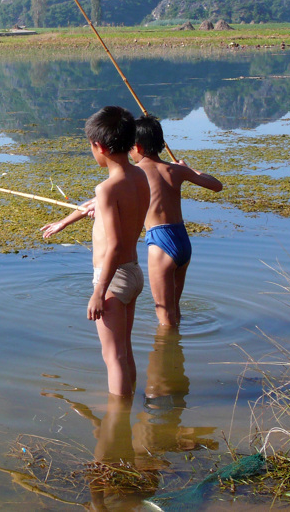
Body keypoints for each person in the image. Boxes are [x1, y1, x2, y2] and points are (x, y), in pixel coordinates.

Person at [43, 106, 149, 396]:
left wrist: (98, 292)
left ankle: (118, 419)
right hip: (134, 273)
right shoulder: (139, 177)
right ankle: (130, 402)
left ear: (98, 147)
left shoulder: (107, 189)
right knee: (124, 351)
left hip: (112, 279)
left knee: (112, 357)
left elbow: (113, 244)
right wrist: (65, 222)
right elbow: (105, 206)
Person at [130, 115, 223, 328]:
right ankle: (177, 352)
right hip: (182, 241)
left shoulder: (136, 172)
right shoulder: (176, 170)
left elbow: (106, 197)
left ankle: (168, 355)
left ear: (137, 147)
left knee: (164, 315)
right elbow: (217, 185)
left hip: (161, 241)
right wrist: (188, 168)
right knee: (174, 308)